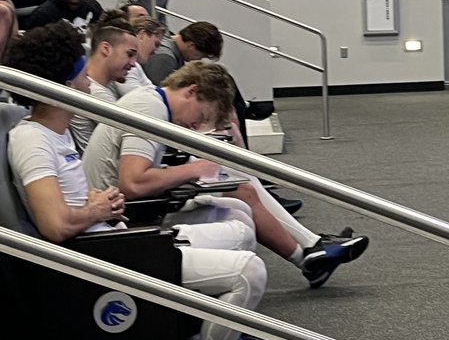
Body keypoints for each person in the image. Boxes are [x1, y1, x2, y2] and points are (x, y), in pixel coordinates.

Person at [5, 23, 289, 340]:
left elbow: (64, 203)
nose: (89, 78)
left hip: (112, 242)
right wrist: (96, 210)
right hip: (100, 260)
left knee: (242, 232)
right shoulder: (33, 139)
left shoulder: (56, 133)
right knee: (249, 273)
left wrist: (95, 203)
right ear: (63, 81)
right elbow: (53, 226)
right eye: (82, 71)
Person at [82, 60, 369, 287]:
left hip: (130, 212)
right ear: (191, 91)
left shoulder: (153, 102)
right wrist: (194, 169)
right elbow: (132, 183)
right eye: (202, 116)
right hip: (123, 224)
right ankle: (300, 260)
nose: (196, 126)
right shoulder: (150, 108)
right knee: (240, 213)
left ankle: (308, 255)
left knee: (238, 198)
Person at [70, 18, 139, 152]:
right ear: (106, 49)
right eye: (129, 54)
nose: (133, 63)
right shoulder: (93, 92)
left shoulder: (106, 87)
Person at [144, 21, 223, 85]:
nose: (199, 59)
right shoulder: (165, 58)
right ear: (191, 45)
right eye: (201, 56)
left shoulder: (169, 48)